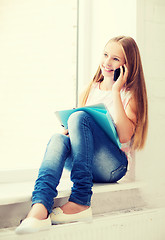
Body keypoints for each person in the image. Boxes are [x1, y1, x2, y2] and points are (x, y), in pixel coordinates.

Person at [15, 36, 148, 234]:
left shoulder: (129, 95)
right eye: (105, 55)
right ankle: (40, 207)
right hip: (86, 163)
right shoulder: (91, 89)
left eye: (115, 59)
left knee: (79, 116)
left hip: (114, 166)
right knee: (58, 138)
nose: (107, 62)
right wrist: (68, 131)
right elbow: (80, 133)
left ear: (127, 65)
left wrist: (115, 90)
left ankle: (81, 201)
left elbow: (124, 136)